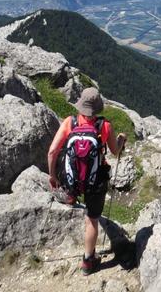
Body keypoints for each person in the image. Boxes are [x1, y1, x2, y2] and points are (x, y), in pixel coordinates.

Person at [47, 87, 126, 275]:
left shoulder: (69, 122)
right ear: (98, 108)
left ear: (81, 104)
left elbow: (52, 152)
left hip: (71, 179)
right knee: (92, 220)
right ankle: (88, 261)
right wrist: (122, 139)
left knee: (67, 167)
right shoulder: (104, 126)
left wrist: (53, 176)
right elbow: (115, 152)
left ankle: (70, 195)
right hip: (95, 180)